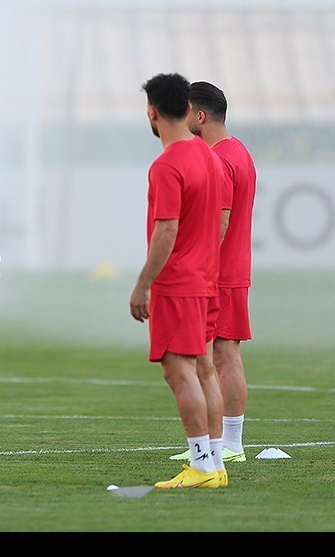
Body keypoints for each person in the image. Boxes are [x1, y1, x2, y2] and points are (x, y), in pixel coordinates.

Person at [130, 73, 226, 488]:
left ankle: (202, 466)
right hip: (206, 278)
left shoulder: (167, 165)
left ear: (152, 113)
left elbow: (166, 231)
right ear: (188, 110)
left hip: (178, 283)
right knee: (205, 369)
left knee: (179, 371)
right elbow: (221, 218)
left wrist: (143, 284)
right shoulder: (208, 156)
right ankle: (216, 464)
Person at [168, 81, 257, 464]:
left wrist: (191, 268)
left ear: (199, 116)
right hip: (232, 271)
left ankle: (229, 444)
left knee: (218, 357)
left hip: (217, 275)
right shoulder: (239, 151)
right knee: (223, 354)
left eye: (185, 111)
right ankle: (227, 442)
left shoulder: (218, 160)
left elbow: (218, 224)